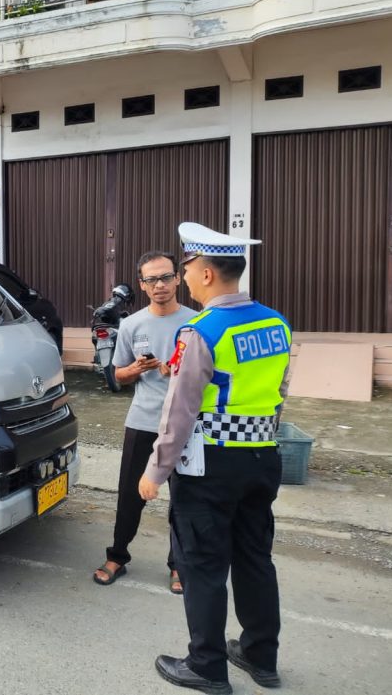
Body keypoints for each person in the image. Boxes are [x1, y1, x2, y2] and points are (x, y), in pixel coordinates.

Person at [139, 222, 291, 695]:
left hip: (210, 466)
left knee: (202, 564)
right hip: (263, 457)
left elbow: (179, 411)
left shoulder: (201, 330)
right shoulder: (276, 323)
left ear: (206, 274)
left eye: (186, 269)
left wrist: (155, 470)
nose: (181, 278)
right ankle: (260, 657)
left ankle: (206, 666)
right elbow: (279, 393)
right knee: (254, 557)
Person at [93, 251, 195, 593]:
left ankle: (178, 564)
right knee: (129, 495)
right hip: (142, 420)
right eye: (151, 280)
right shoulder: (132, 325)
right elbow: (117, 376)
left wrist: (175, 370)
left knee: (183, 499)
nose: (160, 285)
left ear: (178, 278)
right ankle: (117, 556)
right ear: (142, 285)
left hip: (186, 426)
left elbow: (210, 378)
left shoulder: (197, 322)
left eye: (166, 277)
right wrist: (135, 370)